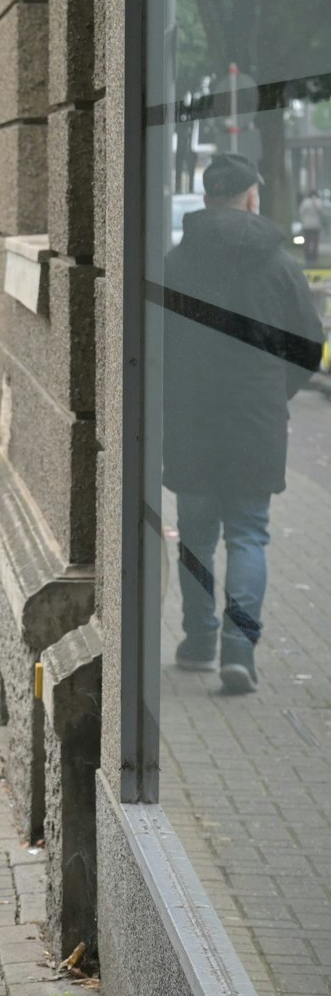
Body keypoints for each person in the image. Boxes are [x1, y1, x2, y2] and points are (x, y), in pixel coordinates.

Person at [160, 153, 325, 693]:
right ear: (252, 197)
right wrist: (274, 392)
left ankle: (199, 640)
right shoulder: (278, 264)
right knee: (250, 536)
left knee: (196, 539)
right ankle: (239, 649)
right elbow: (309, 343)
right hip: (254, 422)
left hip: (191, 422)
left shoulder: (177, 262)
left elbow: (155, 346)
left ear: (206, 199)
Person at [298, 188, 324, 263]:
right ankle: (314, 256)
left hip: (307, 225)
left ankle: (307, 256)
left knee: (307, 241)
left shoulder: (305, 202)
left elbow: (301, 211)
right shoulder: (318, 201)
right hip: (316, 225)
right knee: (315, 242)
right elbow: (321, 211)